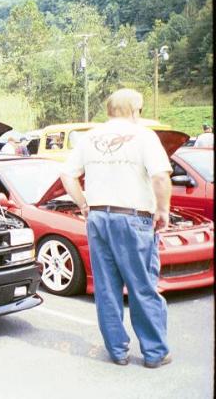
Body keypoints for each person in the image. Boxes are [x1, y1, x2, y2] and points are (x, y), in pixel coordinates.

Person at [60, 88, 172, 369]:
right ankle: (155, 352)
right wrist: (163, 210)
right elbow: (160, 177)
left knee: (107, 288)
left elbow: (67, 175)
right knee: (142, 286)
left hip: (98, 218)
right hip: (133, 219)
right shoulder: (144, 136)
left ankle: (118, 351)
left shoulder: (89, 137)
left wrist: (83, 204)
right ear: (135, 110)